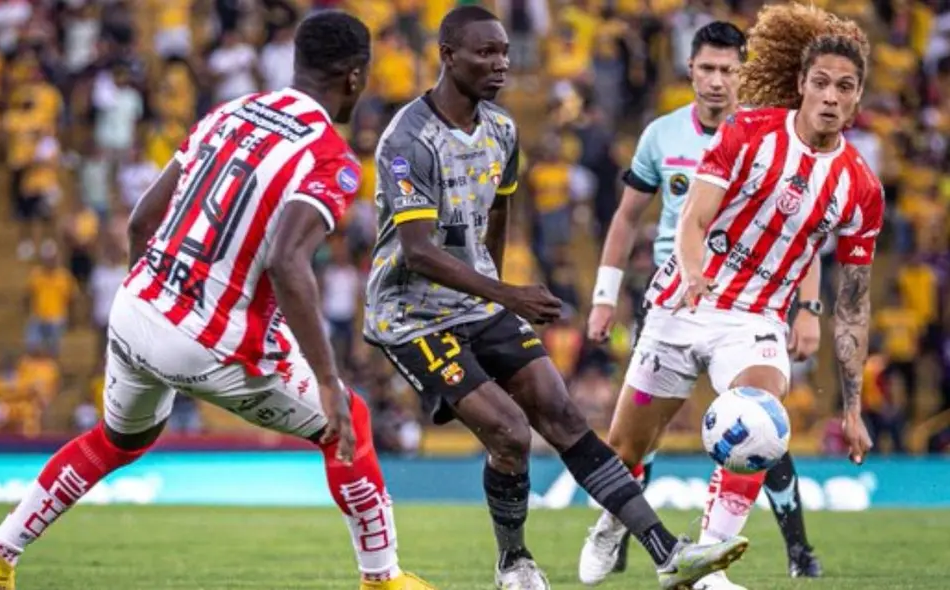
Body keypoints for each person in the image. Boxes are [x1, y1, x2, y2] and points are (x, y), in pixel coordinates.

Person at [0, 12, 434, 590]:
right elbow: (287, 262)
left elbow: (142, 220)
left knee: (113, 442)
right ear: (356, 77)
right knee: (347, 419)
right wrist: (327, 380)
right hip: (211, 337)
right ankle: (381, 580)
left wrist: (154, 306)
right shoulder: (329, 157)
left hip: (136, 308)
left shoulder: (229, 113)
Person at [363, 6, 748, 590]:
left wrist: (495, 295)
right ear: (447, 56)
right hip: (411, 315)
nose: (501, 64)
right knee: (511, 432)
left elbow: (499, 212)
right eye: (485, 53)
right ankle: (514, 563)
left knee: (564, 414)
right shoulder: (408, 139)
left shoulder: (502, 129)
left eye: (503, 52)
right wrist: (507, 292)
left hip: (477, 302)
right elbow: (417, 252)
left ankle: (670, 555)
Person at [580, 5, 880, 590]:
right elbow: (693, 219)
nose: (830, 97)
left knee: (759, 420)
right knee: (625, 448)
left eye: (844, 87)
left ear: (857, 97)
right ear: (801, 83)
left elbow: (853, 304)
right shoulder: (747, 132)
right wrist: (695, 274)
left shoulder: (860, 187)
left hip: (755, 320)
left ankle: (707, 568)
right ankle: (610, 522)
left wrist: (852, 405)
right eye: (820, 82)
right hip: (681, 302)